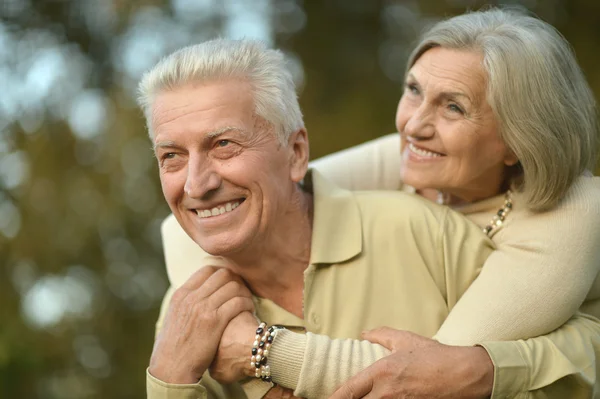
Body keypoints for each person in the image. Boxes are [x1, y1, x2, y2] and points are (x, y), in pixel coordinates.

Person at [154, 7, 600, 399]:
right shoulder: (407, 156)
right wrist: (196, 326)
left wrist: (261, 352)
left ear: (518, 140)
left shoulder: (573, 211)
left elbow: (432, 379)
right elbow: (195, 218)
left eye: (454, 108)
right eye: (413, 90)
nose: (414, 124)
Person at [140, 38, 499, 399]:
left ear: (296, 153)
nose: (196, 185)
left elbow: (543, 381)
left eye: (223, 145)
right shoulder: (187, 313)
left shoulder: (428, 234)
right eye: (172, 156)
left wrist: (263, 352)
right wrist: (168, 377)